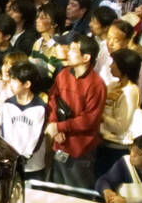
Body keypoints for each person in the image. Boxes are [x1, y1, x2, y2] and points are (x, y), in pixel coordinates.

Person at [45, 35, 107, 190]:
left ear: (86, 57)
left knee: (77, 195)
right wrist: (54, 124)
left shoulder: (97, 84)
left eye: (73, 50)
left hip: (81, 150)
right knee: (55, 192)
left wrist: (60, 127)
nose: (68, 53)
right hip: (59, 144)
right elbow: (52, 99)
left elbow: (89, 120)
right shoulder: (63, 74)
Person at [97, 48, 142, 178]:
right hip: (103, 142)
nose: (110, 66)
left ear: (124, 67)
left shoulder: (131, 91)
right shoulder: (112, 85)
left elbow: (121, 126)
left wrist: (101, 117)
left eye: (114, 63)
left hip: (118, 147)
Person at [0, 60, 48, 178]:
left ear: (27, 84)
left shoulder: (39, 107)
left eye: (15, 81)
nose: (11, 83)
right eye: (11, 79)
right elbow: (6, 132)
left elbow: (37, 135)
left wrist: (25, 155)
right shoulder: (7, 104)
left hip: (33, 165)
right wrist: (12, 155)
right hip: (12, 161)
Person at [98, 133, 142, 203]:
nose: (132, 154)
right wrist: (107, 191)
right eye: (132, 149)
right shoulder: (124, 163)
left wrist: (126, 202)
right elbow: (103, 180)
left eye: (139, 153)